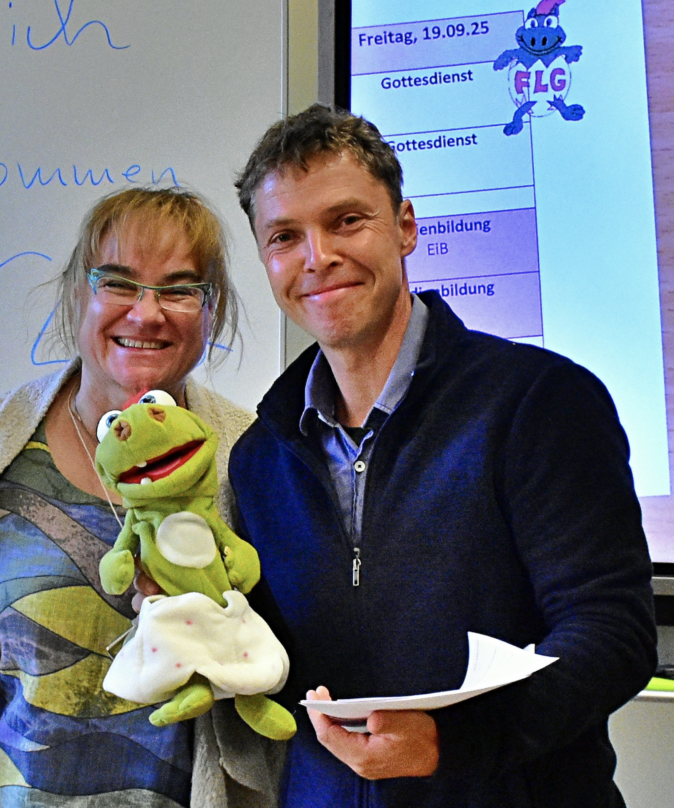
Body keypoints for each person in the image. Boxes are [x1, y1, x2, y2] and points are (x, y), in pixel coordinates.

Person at [227, 104, 657, 807]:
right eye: (285, 237)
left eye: (346, 221)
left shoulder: (538, 402)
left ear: (405, 226)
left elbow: (615, 634)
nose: (317, 257)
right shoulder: (259, 456)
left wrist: (454, 742)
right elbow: (274, 665)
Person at [0, 187, 283, 808]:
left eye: (180, 289)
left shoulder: (254, 458)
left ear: (210, 311)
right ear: (78, 295)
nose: (147, 313)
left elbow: (287, 673)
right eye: (119, 282)